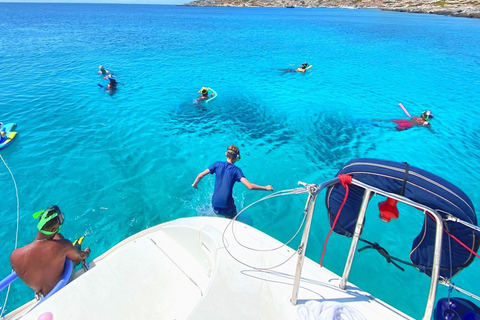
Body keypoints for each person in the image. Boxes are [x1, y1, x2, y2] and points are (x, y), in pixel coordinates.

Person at [10, 205, 90, 298]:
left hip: (42, 294)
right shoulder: (62, 245)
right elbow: (80, 256)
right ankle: (73, 249)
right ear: (53, 229)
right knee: (69, 253)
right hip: (62, 283)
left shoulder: (15, 256)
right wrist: (86, 252)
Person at [192, 145, 273, 218]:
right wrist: (266, 188)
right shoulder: (236, 170)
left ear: (226, 154)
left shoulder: (217, 164)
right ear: (237, 158)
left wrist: (195, 184)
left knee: (219, 214)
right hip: (227, 206)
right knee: (233, 221)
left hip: (215, 205)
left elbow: (200, 175)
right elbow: (250, 186)